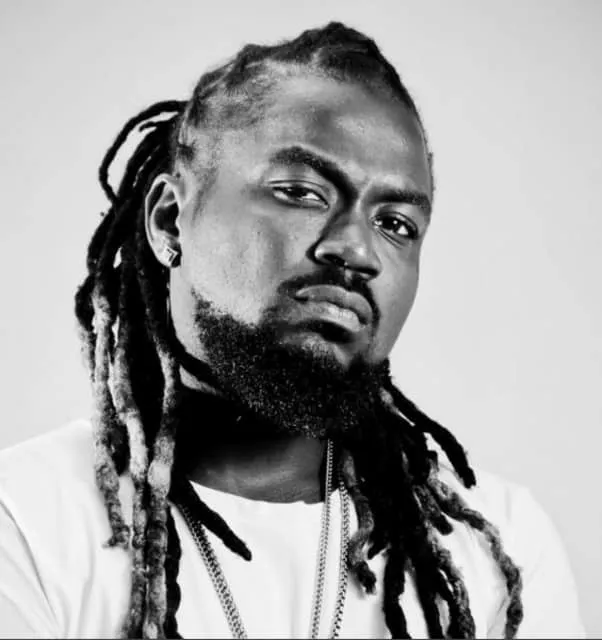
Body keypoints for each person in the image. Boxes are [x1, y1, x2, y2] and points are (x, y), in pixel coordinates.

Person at [0, 21, 585, 640]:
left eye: (396, 224)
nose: (357, 249)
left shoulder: (500, 547)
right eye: (303, 192)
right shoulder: (27, 522)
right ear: (171, 219)